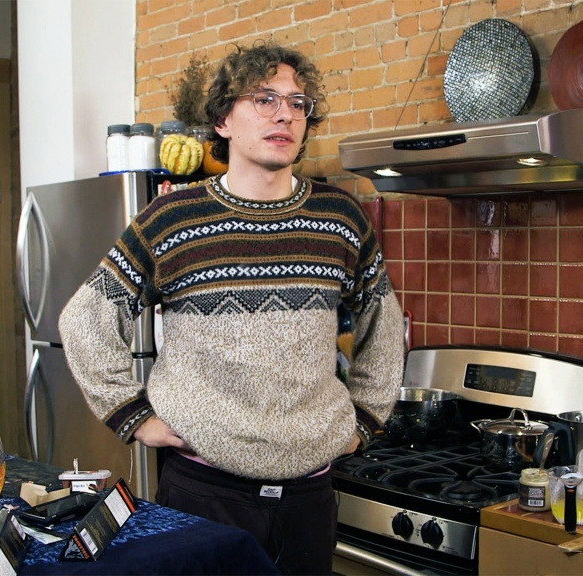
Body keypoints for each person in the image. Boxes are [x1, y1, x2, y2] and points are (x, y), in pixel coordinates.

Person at [59, 39, 404, 575]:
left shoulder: (340, 217)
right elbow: (85, 318)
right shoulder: (173, 217)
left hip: (309, 497)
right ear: (222, 119)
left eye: (297, 103)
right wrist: (133, 416)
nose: (284, 115)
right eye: (264, 99)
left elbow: (382, 321)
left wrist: (365, 417)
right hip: (202, 491)